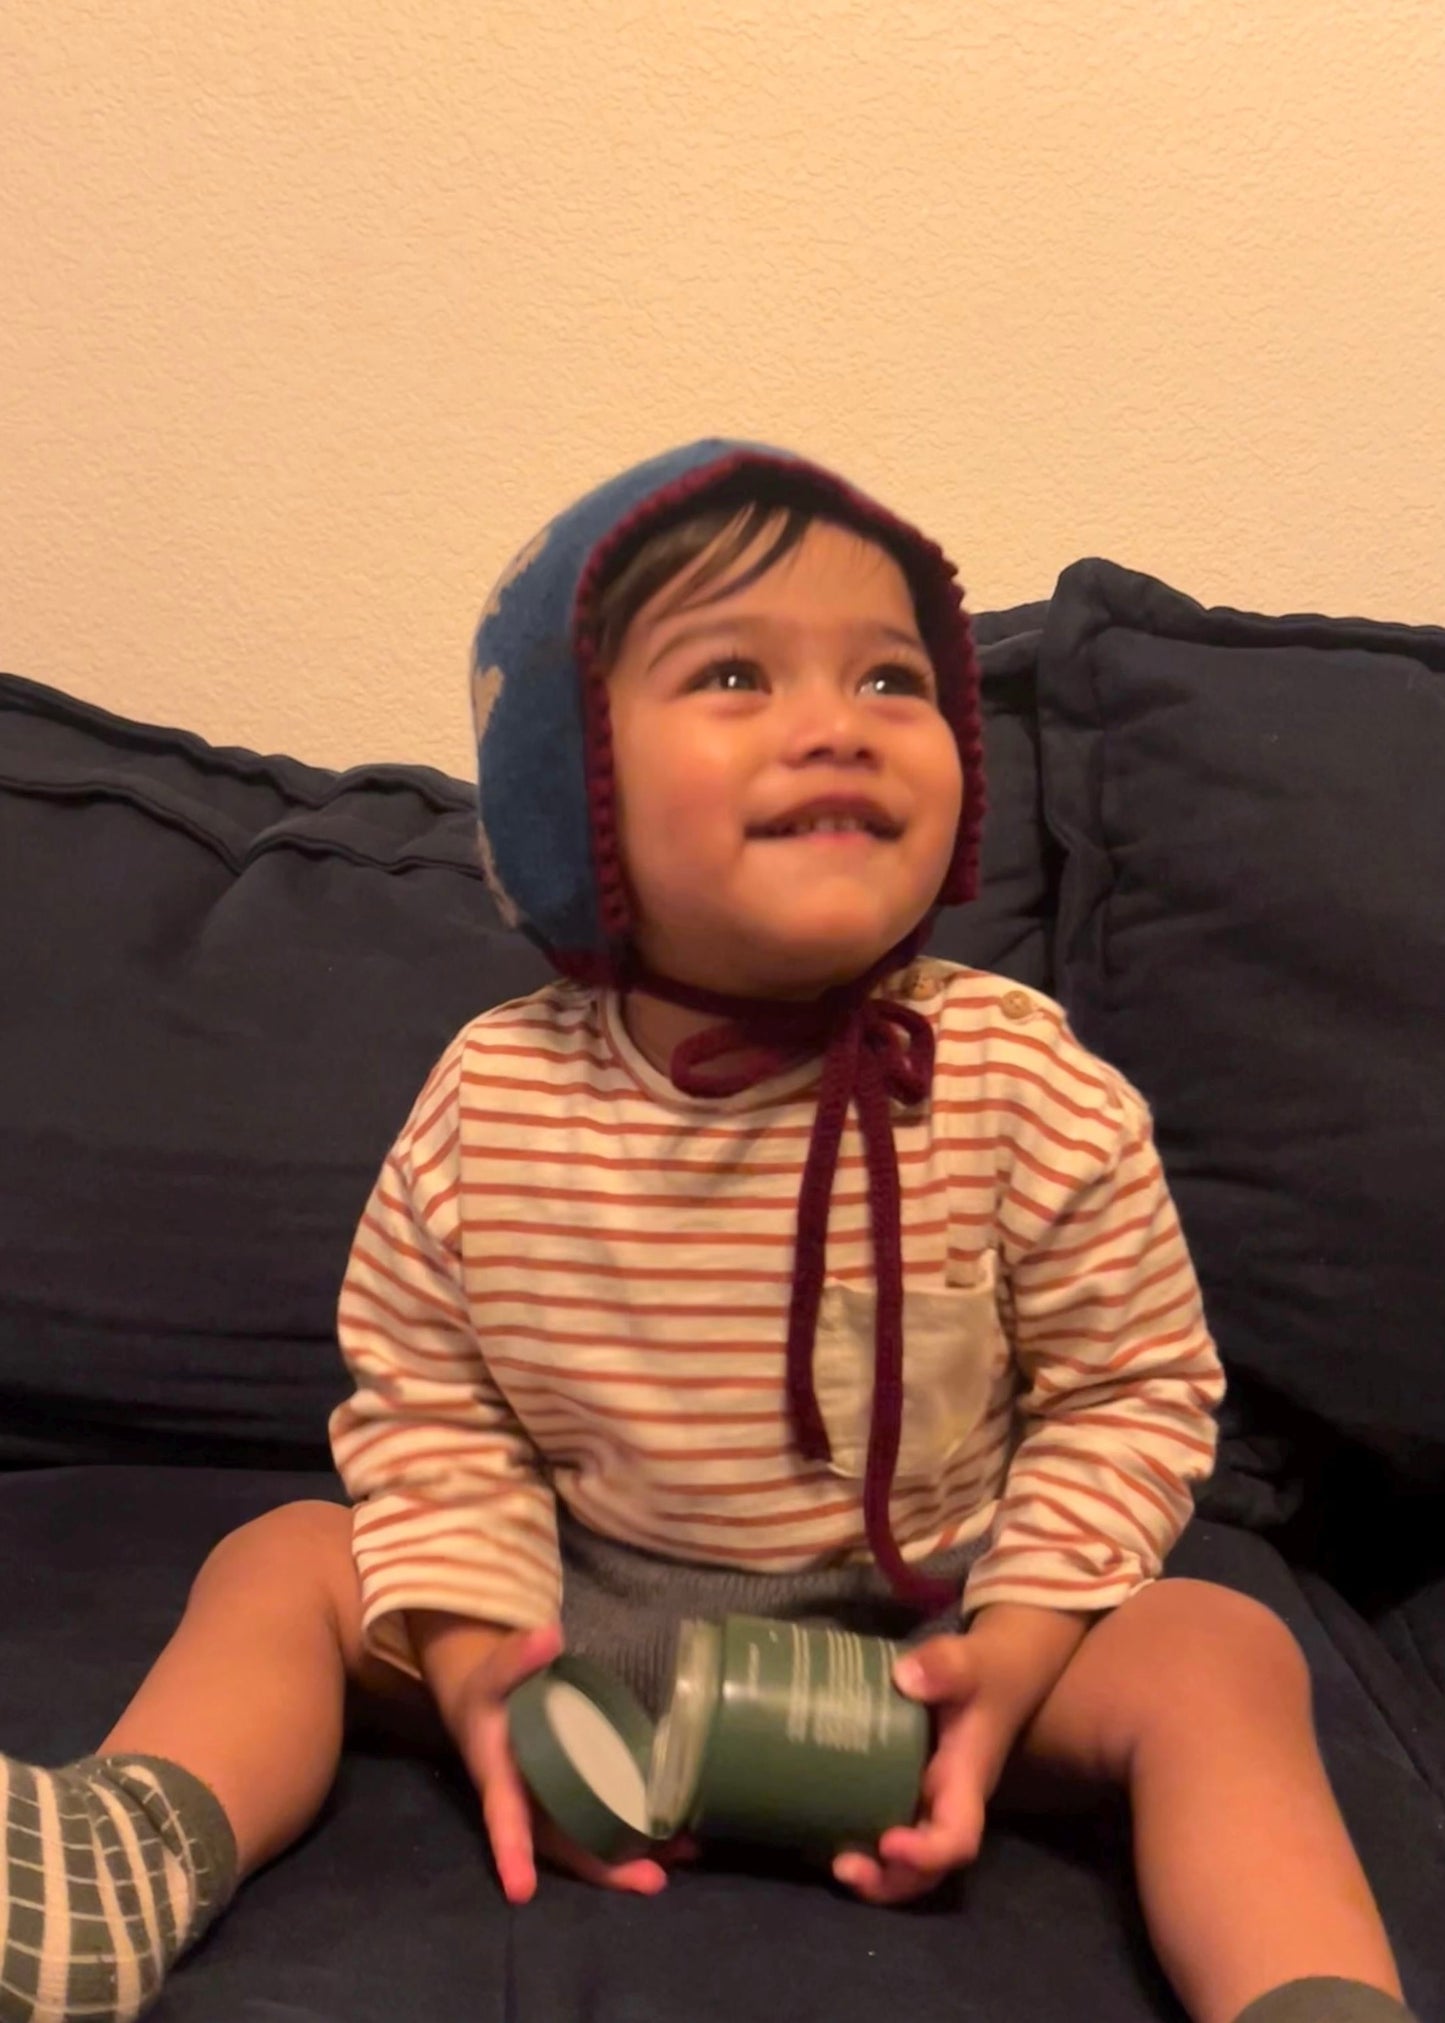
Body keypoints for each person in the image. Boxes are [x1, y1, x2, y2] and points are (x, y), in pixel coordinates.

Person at [0, 442, 1417, 2023]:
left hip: (934, 1632)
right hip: (579, 1623)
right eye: (735, 671)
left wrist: (1011, 1658)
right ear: (571, 795)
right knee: (288, 1561)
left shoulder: (1021, 1079)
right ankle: (124, 1850)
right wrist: (475, 1663)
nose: (836, 723)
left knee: (1219, 1653)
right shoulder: (495, 1091)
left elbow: (1132, 1391)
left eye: (892, 680)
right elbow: (427, 1403)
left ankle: (1312, 1998)